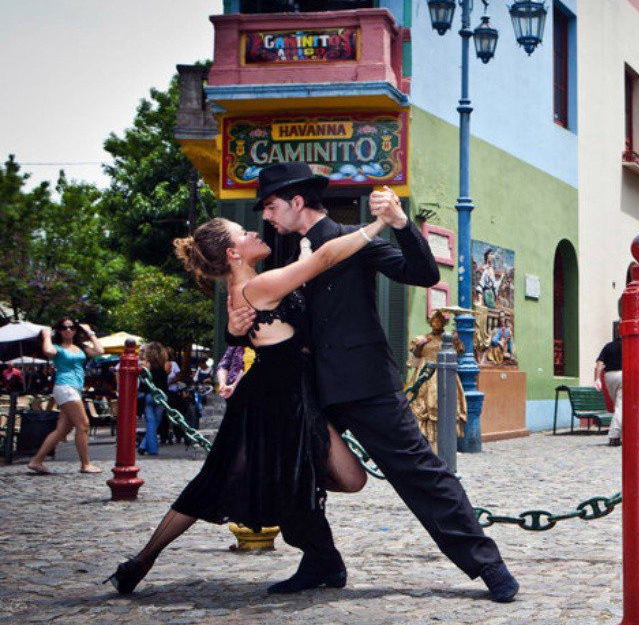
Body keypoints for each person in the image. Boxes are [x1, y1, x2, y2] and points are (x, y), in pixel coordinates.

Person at [229, 162, 519, 601]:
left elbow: (422, 275)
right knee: (291, 470)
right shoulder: (284, 253)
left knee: (418, 471)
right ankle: (321, 560)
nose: (266, 216)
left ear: (297, 202)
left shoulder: (354, 239)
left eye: (270, 206)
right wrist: (240, 321)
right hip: (307, 386)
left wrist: (401, 225)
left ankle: (489, 565)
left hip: (364, 382)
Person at [105, 209, 382, 595]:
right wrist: (378, 226)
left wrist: (304, 243)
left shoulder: (252, 287)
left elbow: (302, 271)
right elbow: (322, 261)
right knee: (219, 481)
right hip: (270, 404)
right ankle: (142, 560)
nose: (255, 232)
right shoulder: (255, 289)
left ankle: (320, 556)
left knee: (340, 479)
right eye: (244, 232)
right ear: (233, 253)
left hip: (292, 399)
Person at [26, 319, 105, 474]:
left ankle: (36, 461)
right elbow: (48, 351)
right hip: (65, 387)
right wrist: (47, 335)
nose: (68, 330)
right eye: (64, 327)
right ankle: (85, 464)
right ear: (59, 331)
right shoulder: (58, 348)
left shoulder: (80, 348)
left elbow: (100, 351)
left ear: (76, 330)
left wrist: (90, 333)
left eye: (71, 327)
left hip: (74, 388)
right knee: (83, 425)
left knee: (62, 430)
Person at [407, 311, 466, 446]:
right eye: (433, 321)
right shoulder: (423, 338)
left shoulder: (449, 338)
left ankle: (443, 440)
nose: (436, 323)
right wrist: (420, 345)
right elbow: (416, 355)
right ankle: (424, 439)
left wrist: (456, 340)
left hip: (443, 373)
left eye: (439, 321)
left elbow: (459, 352)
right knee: (422, 403)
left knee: (442, 402)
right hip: (424, 374)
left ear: (444, 323)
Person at [138, 342, 172, 455]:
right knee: (156, 422)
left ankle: (144, 446)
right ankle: (150, 448)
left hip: (148, 394)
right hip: (161, 395)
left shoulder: (146, 364)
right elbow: (168, 373)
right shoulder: (166, 364)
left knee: (150, 422)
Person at [594, 334, 622, 447]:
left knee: (618, 405)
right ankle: (614, 435)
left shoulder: (608, 346)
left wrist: (597, 378)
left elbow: (600, 362)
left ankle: (620, 433)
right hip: (623, 374)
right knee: (621, 406)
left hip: (609, 376)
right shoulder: (629, 345)